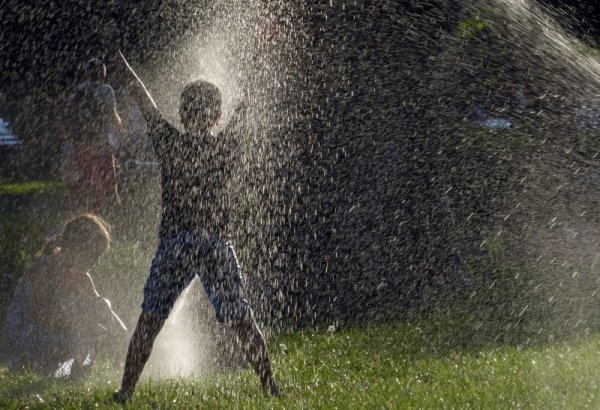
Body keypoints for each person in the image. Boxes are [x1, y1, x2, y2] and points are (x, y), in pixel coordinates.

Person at [109, 47, 281, 402]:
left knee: (150, 321)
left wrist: (119, 57)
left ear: (181, 113)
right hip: (216, 243)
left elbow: (142, 98)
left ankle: (125, 392)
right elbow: (246, 106)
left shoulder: (169, 142)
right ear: (218, 116)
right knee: (242, 321)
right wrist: (256, 68)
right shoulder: (226, 146)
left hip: (175, 244)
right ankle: (271, 387)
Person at [2, 214, 127, 377]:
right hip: (24, 339)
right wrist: (74, 324)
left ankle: (71, 372)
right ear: (78, 247)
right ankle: (52, 370)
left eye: (100, 256)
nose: (96, 261)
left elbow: (101, 309)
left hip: (47, 334)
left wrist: (123, 335)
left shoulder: (81, 277)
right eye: (94, 254)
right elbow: (35, 313)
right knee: (89, 327)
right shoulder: (45, 267)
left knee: (98, 313)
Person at [66, 58, 122, 215]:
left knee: (86, 182)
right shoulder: (106, 90)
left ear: (86, 73)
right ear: (103, 74)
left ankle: (83, 215)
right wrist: (118, 122)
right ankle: (108, 216)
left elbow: (69, 116)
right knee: (109, 183)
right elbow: (113, 116)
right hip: (101, 143)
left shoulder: (77, 92)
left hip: (81, 145)